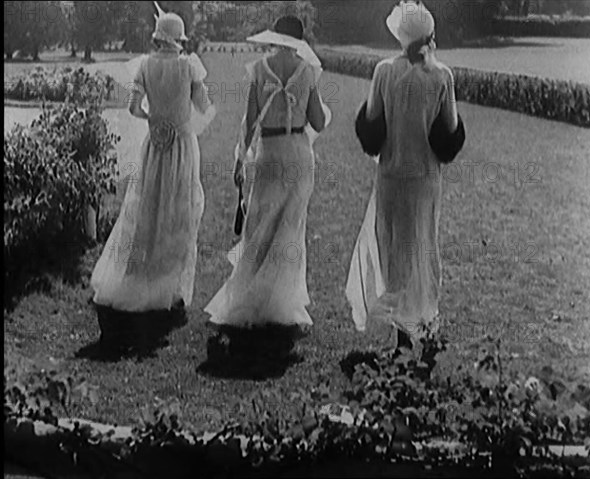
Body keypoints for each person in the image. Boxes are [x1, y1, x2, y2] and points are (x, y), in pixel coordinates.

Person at [345, 1, 462, 353]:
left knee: (394, 251)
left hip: (392, 176)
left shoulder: (384, 71)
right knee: (424, 249)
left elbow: (370, 128)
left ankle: (402, 333)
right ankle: (422, 323)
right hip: (425, 178)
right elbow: (450, 136)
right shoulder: (442, 76)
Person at [204, 16, 330, 332]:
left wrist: (239, 161)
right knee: (290, 228)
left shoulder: (260, 69)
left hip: (270, 152)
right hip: (299, 154)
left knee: (260, 225)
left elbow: (248, 122)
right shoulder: (307, 71)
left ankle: (252, 296)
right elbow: (318, 122)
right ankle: (281, 301)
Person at [90, 4, 214, 313]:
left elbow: (132, 107)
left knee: (148, 206)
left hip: (154, 146)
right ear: (178, 39)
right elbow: (204, 108)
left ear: (159, 38)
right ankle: (169, 285)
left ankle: (142, 276)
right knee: (179, 209)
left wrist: (154, 120)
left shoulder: (144, 64)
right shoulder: (189, 66)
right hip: (183, 146)